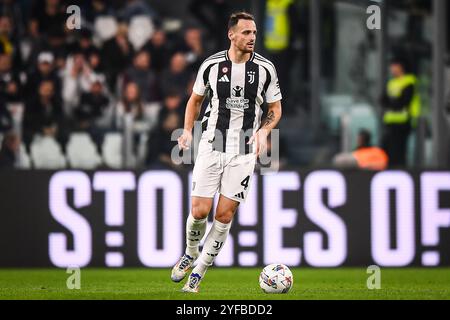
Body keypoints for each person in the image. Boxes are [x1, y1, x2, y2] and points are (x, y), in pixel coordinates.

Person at [172, 12, 283, 293]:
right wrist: (187, 130)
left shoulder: (265, 69)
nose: (252, 38)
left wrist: (263, 132)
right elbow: (195, 101)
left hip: (244, 150)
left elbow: (275, 109)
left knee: (223, 215)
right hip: (211, 143)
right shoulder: (210, 65)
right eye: (246, 33)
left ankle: (198, 273)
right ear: (231, 35)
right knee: (199, 210)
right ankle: (190, 252)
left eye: (254, 33)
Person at [380, 58, 421, 167]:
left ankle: (399, 171)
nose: (391, 69)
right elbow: (383, 100)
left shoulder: (409, 81)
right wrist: (394, 101)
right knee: (387, 149)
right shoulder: (391, 82)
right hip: (390, 122)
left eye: (394, 65)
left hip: (403, 122)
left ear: (400, 66)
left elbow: (403, 101)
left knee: (399, 151)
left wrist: (392, 101)